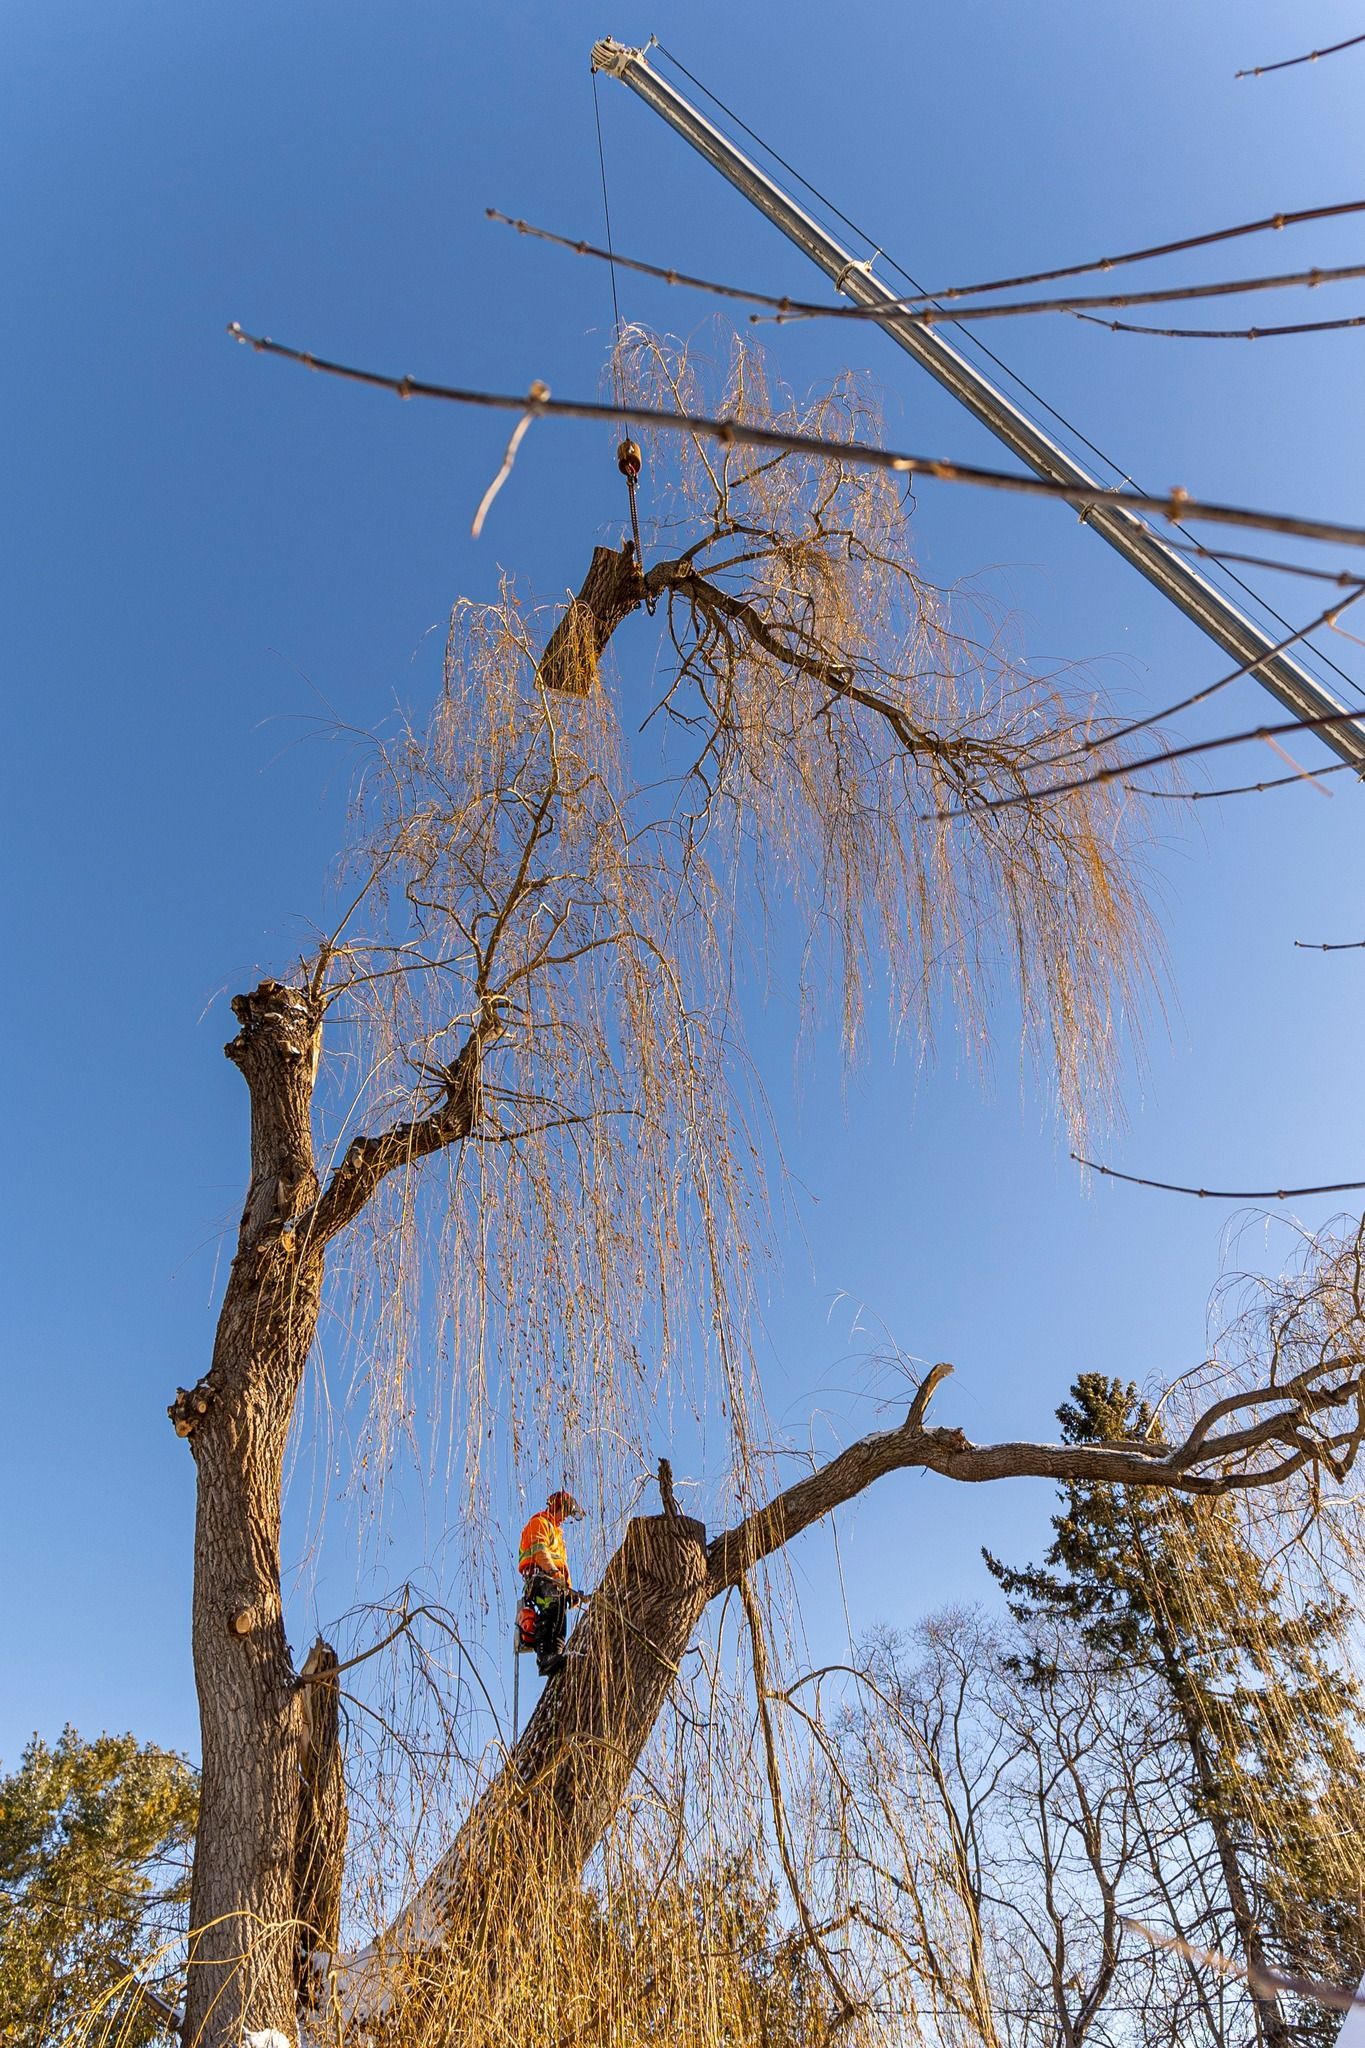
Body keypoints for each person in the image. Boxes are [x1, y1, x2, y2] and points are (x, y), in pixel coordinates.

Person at [516, 1490, 585, 1677]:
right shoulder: (539, 1523)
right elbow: (540, 1552)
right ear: (558, 1507)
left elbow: (562, 1565)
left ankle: (557, 1653)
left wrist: (568, 1590)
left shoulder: (556, 1531)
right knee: (551, 1609)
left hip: (553, 1580)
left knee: (560, 1613)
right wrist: (553, 1572)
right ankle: (545, 1656)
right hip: (540, 1578)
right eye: (566, 1511)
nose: (565, 1517)